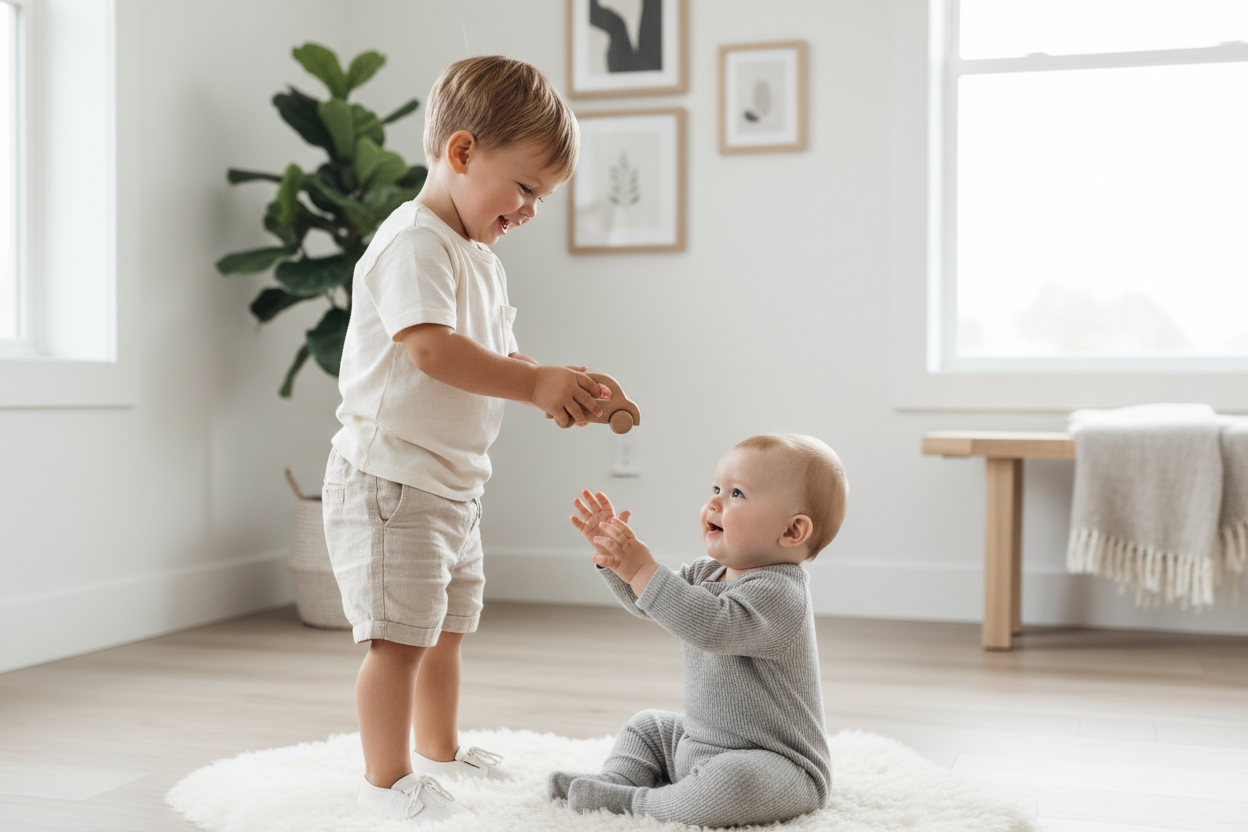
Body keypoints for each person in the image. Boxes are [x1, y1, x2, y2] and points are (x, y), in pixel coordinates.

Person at [322, 55, 610, 823]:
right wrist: (533, 383)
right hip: (392, 480)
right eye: (525, 188)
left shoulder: (480, 259)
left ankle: (441, 750)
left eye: (542, 197)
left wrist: (554, 381)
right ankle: (385, 779)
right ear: (460, 153)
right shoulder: (413, 243)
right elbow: (433, 351)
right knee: (398, 641)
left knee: (445, 631)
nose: (531, 210)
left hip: (451, 483)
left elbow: (498, 356)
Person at [552, 433, 849, 828]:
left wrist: (643, 569)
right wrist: (618, 564)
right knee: (648, 726)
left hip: (777, 765)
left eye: (737, 494)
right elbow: (656, 606)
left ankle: (639, 803)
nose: (714, 502)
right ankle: (616, 780)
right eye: (716, 488)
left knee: (732, 784)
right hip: (699, 742)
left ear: (792, 531)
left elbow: (710, 623)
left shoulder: (781, 594)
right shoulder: (707, 572)